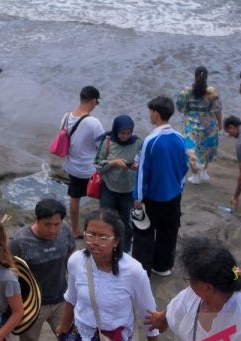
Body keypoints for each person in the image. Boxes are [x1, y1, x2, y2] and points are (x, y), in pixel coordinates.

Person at [56, 208, 160, 341]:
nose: (95, 242)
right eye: (91, 235)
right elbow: (71, 296)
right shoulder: (76, 261)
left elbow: (149, 315)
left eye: (103, 237)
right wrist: (63, 327)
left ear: (117, 241)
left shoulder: (133, 271)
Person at [8, 198, 75, 341]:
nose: (53, 230)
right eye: (48, 224)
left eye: (57, 224)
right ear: (37, 220)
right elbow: (10, 274)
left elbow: (73, 259)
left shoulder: (66, 232)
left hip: (62, 300)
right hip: (32, 306)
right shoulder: (19, 242)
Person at [132, 96, 190, 277]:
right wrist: (179, 188)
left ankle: (142, 271)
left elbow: (142, 172)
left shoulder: (151, 140)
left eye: (151, 112)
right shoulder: (180, 138)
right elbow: (184, 167)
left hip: (153, 197)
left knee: (144, 233)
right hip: (174, 196)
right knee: (169, 232)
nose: (150, 115)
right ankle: (163, 266)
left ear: (156, 113)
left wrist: (138, 197)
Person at [55, 86, 106, 237]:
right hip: (90, 169)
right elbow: (101, 146)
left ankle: (75, 229)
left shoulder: (66, 117)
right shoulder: (94, 123)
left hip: (72, 167)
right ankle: (100, 228)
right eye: (97, 102)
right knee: (102, 198)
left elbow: (64, 135)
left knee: (75, 197)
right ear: (94, 101)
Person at [94, 115, 141, 246]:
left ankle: (124, 248)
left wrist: (136, 166)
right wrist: (113, 163)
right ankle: (105, 244)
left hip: (128, 191)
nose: (125, 136)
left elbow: (144, 162)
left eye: (128, 133)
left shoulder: (137, 143)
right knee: (106, 219)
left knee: (128, 222)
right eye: (122, 133)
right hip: (109, 189)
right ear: (116, 131)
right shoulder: (108, 142)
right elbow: (97, 165)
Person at [176, 66, 222, 183]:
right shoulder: (211, 91)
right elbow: (217, 109)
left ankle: (195, 175)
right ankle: (204, 172)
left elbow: (180, 108)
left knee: (191, 149)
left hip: (191, 124)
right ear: (206, 77)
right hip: (208, 124)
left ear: (195, 76)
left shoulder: (186, 91)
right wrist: (220, 123)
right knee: (207, 148)